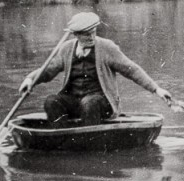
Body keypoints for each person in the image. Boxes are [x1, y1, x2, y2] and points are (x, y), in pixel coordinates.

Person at [18, 12, 171, 127]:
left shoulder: (107, 48)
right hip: (75, 100)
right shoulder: (66, 49)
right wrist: (30, 79)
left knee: (89, 103)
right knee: (51, 102)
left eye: (93, 32)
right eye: (86, 34)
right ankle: (62, 137)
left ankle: (88, 142)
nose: (91, 37)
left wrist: (156, 89)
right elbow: (48, 70)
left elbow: (132, 70)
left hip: (101, 101)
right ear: (76, 35)